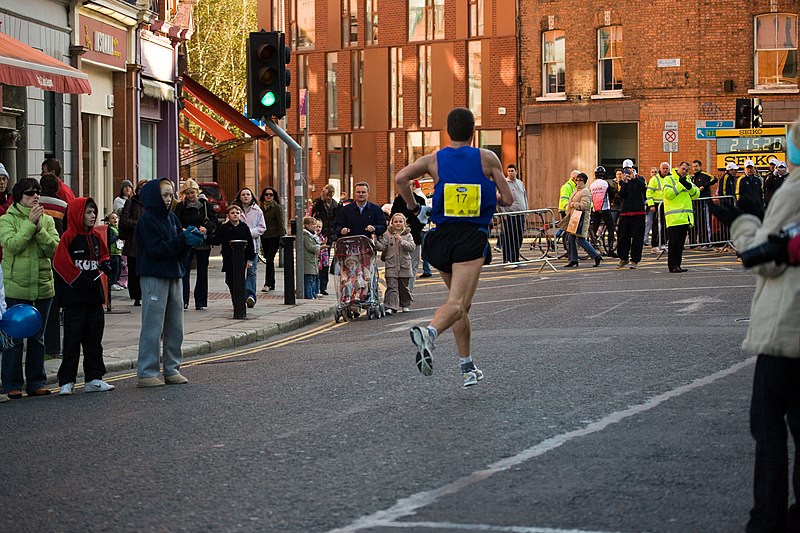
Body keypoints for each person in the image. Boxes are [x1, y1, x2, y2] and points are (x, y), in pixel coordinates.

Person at [709, 119, 800, 533]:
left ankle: (767, 518)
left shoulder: (796, 188)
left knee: (768, 429)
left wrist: (741, 223)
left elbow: (763, 255)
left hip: (787, 329)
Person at [395, 107, 513, 388]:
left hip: (440, 239)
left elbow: (401, 178)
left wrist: (413, 206)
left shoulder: (433, 159)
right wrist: (485, 195)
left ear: (448, 131)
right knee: (459, 304)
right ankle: (430, 333)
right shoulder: (487, 158)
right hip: (469, 238)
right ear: (474, 132)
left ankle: (468, 366)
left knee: (460, 305)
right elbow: (507, 199)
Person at [135, 179, 203, 388]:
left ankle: (172, 369)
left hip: (174, 275)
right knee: (153, 326)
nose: (169, 199)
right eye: (165, 194)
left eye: (171, 194)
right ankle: (147, 372)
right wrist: (182, 240)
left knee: (175, 326)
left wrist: (188, 243)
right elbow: (157, 250)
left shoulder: (172, 218)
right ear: (154, 195)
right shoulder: (147, 221)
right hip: (154, 276)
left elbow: (175, 248)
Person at [0, 178, 59, 398]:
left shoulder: (47, 220)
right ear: (18, 198)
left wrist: (39, 230)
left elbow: (55, 249)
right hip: (16, 288)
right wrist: (29, 225)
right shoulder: (6, 220)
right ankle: (12, 384)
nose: (35, 196)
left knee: (37, 338)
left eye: (38, 192)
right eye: (30, 194)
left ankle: (36, 382)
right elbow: (12, 245)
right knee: (14, 339)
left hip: (43, 287)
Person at [53, 197, 115, 395]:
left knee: (93, 340)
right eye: (88, 212)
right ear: (78, 214)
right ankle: (67, 381)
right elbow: (60, 263)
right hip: (74, 300)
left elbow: (103, 256)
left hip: (94, 298)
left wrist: (106, 264)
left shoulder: (96, 236)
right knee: (71, 341)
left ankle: (94, 379)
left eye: (94, 212)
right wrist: (78, 279)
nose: (93, 215)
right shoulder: (68, 237)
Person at [174, 179, 217, 310]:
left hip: (202, 242)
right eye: (187, 193)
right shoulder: (180, 207)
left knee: (202, 272)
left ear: (197, 192)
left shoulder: (206, 205)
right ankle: (183, 300)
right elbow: (176, 222)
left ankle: (200, 302)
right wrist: (181, 229)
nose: (190, 196)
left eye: (192, 193)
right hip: (187, 241)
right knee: (184, 271)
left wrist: (206, 228)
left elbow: (214, 221)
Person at [209, 205, 256, 299]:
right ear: (228, 215)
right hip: (228, 258)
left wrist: (250, 260)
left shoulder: (244, 227)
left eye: (237, 213)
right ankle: (235, 299)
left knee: (240, 280)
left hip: (241, 258)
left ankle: (240, 300)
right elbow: (217, 240)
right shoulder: (224, 228)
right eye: (232, 213)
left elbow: (250, 245)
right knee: (230, 280)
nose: (235, 215)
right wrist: (205, 237)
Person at [662, 162, 700, 273]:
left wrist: (688, 185)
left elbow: (696, 194)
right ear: (678, 168)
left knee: (680, 244)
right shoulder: (669, 179)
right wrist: (680, 184)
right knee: (673, 244)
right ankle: (672, 265)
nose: (685, 171)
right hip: (674, 218)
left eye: (687, 170)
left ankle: (678, 265)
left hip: (685, 217)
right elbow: (668, 194)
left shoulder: (687, 179)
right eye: (683, 169)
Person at [375, 212, 416, 314]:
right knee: (391, 287)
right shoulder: (387, 234)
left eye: (400, 222)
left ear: (404, 223)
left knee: (403, 287)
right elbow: (383, 247)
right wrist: (375, 242)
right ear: (392, 223)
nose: (398, 223)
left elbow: (412, 247)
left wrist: (402, 240)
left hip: (404, 265)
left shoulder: (408, 235)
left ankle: (405, 304)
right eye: (396, 221)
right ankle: (390, 306)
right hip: (391, 265)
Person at [390, 179, 427, 289]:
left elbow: (423, 219)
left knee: (413, 266)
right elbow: (393, 216)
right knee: (399, 266)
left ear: (413, 187)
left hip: (415, 236)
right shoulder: (398, 201)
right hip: (399, 237)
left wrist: (410, 227)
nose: (408, 187)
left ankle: (409, 290)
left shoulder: (420, 200)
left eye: (410, 185)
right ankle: (399, 290)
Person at [561, 172, 603, 268]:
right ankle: (573, 259)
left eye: (580, 181)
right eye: (577, 180)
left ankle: (596, 256)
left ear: (584, 181)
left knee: (580, 239)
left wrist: (573, 204)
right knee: (571, 238)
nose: (578, 182)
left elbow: (585, 205)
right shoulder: (576, 190)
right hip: (574, 217)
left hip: (581, 218)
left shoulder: (585, 191)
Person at [233, 188, 266, 308]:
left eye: (248, 194)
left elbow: (262, 228)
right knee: (238, 272)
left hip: (253, 246)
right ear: (239, 197)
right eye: (243, 194)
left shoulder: (257, 210)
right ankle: (240, 296)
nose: (246, 196)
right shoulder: (235, 210)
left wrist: (248, 232)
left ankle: (250, 296)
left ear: (252, 196)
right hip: (237, 247)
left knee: (251, 272)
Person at [120, 179, 148, 306]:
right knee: (134, 270)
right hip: (133, 241)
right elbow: (124, 220)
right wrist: (139, 224)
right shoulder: (130, 202)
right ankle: (136, 296)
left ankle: (145, 294)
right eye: (141, 188)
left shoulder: (151, 203)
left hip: (148, 242)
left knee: (146, 270)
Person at [615, 165, 647, 269]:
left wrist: (635, 178)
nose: (628, 173)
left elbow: (643, 188)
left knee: (637, 238)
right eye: (626, 171)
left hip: (638, 212)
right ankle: (623, 258)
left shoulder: (640, 179)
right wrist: (624, 183)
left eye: (630, 170)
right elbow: (621, 195)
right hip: (625, 212)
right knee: (623, 237)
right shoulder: (623, 182)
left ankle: (635, 260)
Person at [498, 163, 528, 269]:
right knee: (509, 238)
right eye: (509, 171)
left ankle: (516, 259)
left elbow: (524, 197)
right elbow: (499, 199)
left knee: (518, 238)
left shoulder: (520, 183)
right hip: (510, 215)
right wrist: (504, 213)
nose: (511, 173)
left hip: (520, 214)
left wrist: (526, 211)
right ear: (507, 172)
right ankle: (507, 260)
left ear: (516, 171)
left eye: (512, 171)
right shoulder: (504, 184)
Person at [259, 186, 286, 293]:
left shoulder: (277, 207)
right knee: (268, 259)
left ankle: (267, 283)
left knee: (270, 259)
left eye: (271, 194)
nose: (268, 196)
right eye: (266, 194)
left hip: (274, 236)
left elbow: (281, 223)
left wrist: (282, 237)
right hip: (264, 236)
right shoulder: (260, 207)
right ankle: (272, 283)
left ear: (274, 196)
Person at [589, 165, 617, 257]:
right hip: (605, 208)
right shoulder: (605, 184)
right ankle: (611, 250)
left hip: (595, 210)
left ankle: (592, 248)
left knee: (594, 229)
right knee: (611, 228)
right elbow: (612, 194)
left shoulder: (592, 185)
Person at [691, 159, 718, 246]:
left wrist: (704, 186)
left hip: (705, 202)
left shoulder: (705, 175)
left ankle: (707, 242)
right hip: (696, 203)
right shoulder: (692, 178)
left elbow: (715, 179)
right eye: (693, 166)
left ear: (700, 166)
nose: (695, 168)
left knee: (705, 222)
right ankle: (701, 241)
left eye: (696, 166)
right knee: (698, 222)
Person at [647, 162, 670, 253]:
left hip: (667, 204)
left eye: (666, 169)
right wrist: (651, 205)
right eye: (663, 168)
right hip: (657, 205)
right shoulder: (654, 179)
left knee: (665, 225)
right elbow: (649, 192)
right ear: (660, 169)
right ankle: (655, 245)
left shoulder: (670, 178)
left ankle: (663, 244)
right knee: (656, 225)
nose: (665, 170)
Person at [301, 216, 321, 299]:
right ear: (307, 225)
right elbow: (309, 246)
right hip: (308, 260)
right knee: (309, 279)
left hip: (313, 260)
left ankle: (313, 293)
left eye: (315, 225)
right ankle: (308, 294)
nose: (315, 226)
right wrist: (319, 247)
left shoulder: (313, 235)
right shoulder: (306, 235)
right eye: (313, 224)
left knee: (313, 278)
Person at [106, 212, 124, 291]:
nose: (115, 219)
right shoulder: (110, 229)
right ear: (109, 220)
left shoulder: (117, 228)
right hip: (113, 253)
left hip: (118, 252)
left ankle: (115, 282)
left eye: (116, 218)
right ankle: (112, 283)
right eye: (112, 218)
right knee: (114, 269)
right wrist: (118, 236)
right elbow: (109, 240)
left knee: (118, 269)